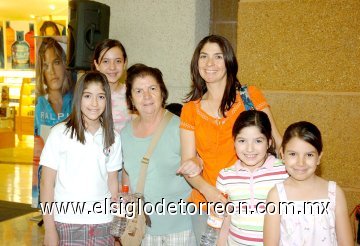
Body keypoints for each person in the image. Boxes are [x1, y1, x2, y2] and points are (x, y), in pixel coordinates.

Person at [177, 34, 281, 244]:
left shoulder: (249, 96)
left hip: (251, 201)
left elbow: (277, 142)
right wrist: (209, 192)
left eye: (218, 56)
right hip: (208, 206)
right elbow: (189, 165)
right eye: (204, 56)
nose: (210, 63)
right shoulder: (190, 109)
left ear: (229, 61)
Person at [40, 71, 122, 245]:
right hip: (68, 222)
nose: (94, 103)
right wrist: (49, 229)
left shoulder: (113, 136)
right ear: (79, 98)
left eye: (100, 96)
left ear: (107, 100)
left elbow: (113, 182)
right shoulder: (59, 133)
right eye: (87, 96)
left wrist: (115, 223)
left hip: (103, 223)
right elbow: (46, 183)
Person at [121, 64, 195, 245]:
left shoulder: (180, 127)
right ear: (131, 98)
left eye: (152, 88)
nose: (146, 96)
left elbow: (197, 164)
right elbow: (127, 172)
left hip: (179, 230)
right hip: (142, 230)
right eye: (138, 91)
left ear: (162, 92)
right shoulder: (125, 133)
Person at [263, 121, 353, 245]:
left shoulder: (334, 193)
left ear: (319, 157)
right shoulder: (276, 196)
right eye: (293, 154)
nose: (301, 163)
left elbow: (346, 243)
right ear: (283, 154)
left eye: (309, 155)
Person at [215, 110, 288, 245]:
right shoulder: (225, 176)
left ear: (269, 142)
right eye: (242, 141)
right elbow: (224, 220)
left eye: (258, 141)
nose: (250, 149)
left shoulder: (284, 172)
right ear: (234, 142)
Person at [32, 37, 73, 209]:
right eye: (45, 65)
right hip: (47, 179)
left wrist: (58, 38)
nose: (51, 71)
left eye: (56, 62)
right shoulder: (40, 104)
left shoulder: (76, 100)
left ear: (64, 64)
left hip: (71, 180)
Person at [93, 39, 131, 133]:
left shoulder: (132, 94)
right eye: (106, 61)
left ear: (124, 63)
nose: (112, 67)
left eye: (118, 61)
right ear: (97, 64)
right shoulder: (87, 94)